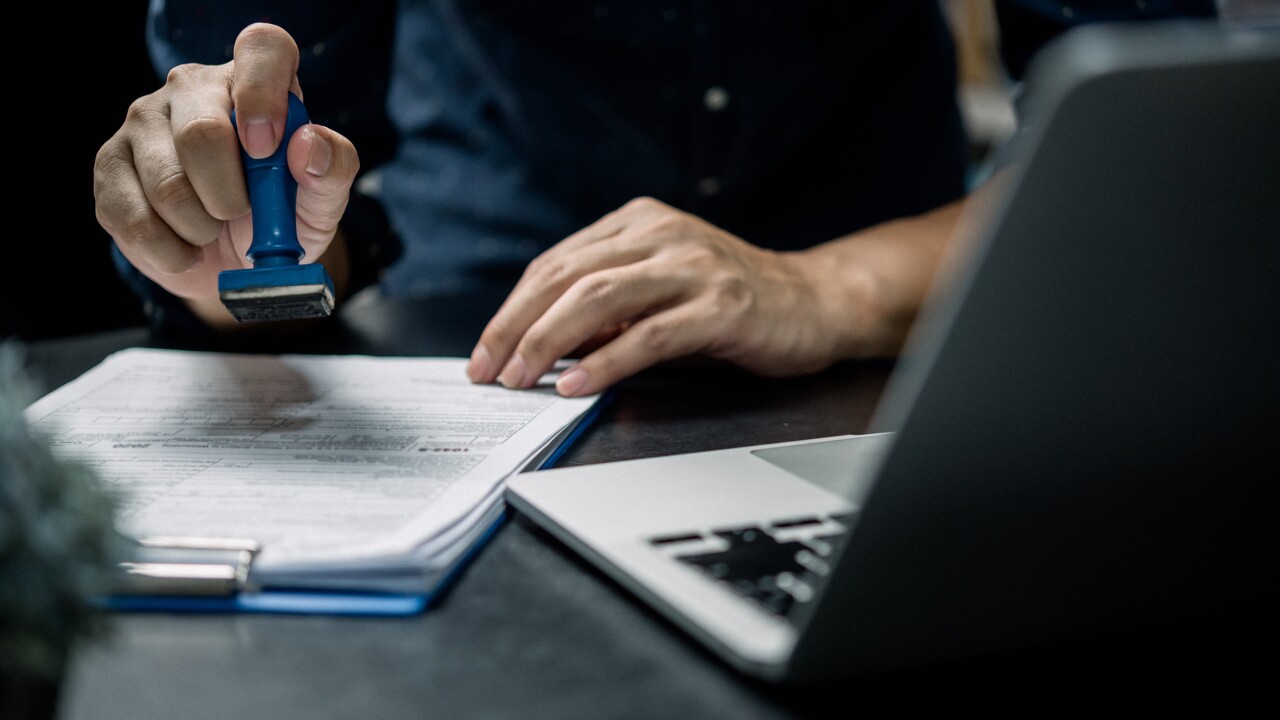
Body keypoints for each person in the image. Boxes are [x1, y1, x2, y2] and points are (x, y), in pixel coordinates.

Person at [94, 1, 1215, 398]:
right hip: (472, 363)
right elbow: (299, 221)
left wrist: (830, 287)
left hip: (900, 341)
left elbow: (1161, 153)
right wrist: (232, 267)